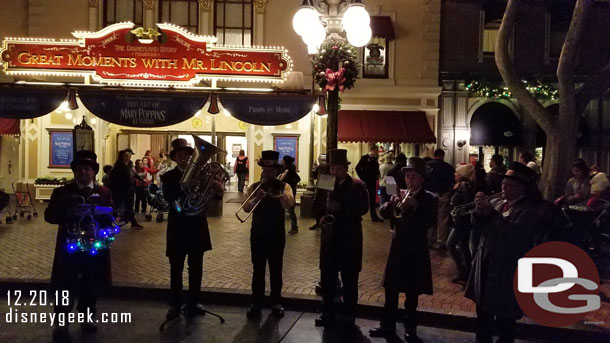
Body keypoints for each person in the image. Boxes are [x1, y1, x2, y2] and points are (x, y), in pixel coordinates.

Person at [466, 162, 539, 343]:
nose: (504, 188)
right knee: (483, 315)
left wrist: (490, 214)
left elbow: (513, 235)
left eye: (510, 186)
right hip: (486, 266)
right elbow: (480, 227)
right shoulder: (498, 203)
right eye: (503, 184)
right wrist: (478, 212)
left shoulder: (528, 210)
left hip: (507, 271)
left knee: (505, 319)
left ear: (522, 189)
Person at [45, 151, 113, 341]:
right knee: (65, 285)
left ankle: (88, 318)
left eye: (88, 169)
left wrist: (108, 226)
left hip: (94, 247)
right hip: (70, 247)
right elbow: (49, 216)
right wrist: (68, 212)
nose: (84, 172)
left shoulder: (104, 192)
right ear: (74, 172)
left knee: (91, 284)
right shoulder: (62, 192)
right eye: (80, 169)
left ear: (94, 172)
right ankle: (61, 321)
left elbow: (109, 218)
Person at [370, 157, 437, 343]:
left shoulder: (429, 198)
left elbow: (430, 222)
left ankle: (410, 328)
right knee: (391, 289)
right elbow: (383, 213)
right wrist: (391, 203)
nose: (410, 181)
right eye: (408, 177)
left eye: (414, 177)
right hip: (398, 246)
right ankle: (387, 325)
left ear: (422, 179)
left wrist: (415, 207)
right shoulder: (399, 194)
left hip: (416, 249)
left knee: (412, 292)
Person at [161, 138, 224, 319]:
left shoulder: (201, 174)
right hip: (178, 227)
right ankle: (175, 303)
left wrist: (218, 191)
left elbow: (209, 201)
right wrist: (183, 187)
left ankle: (194, 301)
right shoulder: (169, 176)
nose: (185, 157)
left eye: (188, 154)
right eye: (181, 154)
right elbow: (169, 197)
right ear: (175, 157)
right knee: (176, 267)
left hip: (197, 226)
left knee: (196, 267)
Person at [314, 149, 369, 327]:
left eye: (338, 169)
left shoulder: (358, 185)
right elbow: (316, 205)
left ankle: (349, 313)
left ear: (346, 168)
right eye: (332, 169)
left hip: (349, 238)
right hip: (329, 238)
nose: (335, 172)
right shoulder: (325, 182)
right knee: (328, 276)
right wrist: (321, 216)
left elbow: (363, 208)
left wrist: (341, 208)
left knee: (349, 278)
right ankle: (327, 312)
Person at [242, 150, 295, 319]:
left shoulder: (284, 186)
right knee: (258, 269)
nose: (268, 173)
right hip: (258, 232)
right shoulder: (254, 186)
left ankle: (276, 302)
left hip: (276, 233)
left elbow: (289, 205)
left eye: (272, 171)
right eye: (265, 170)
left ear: (277, 172)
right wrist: (256, 197)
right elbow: (246, 208)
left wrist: (279, 195)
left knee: (276, 268)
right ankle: (256, 302)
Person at [446, 164, 475, 285]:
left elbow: (457, 202)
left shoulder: (464, 188)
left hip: (461, 223)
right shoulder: (462, 187)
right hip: (462, 222)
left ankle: (463, 271)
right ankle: (466, 273)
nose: (454, 174)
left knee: (451, 244)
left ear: (462, 175)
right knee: (463, 247)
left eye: (457, 173)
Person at [425, 149, 455, 248]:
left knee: (429, 216)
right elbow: (452, 181)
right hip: (443, 194)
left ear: (434, 155)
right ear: (443, 155)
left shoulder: (427, 166)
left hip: (429, 194)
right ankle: (441, 241)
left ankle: (429, 240)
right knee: (442, 218)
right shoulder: (448, 167)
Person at [110, 149, 142, 229]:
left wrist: (139, 179)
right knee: (117, 205)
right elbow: (117, 177)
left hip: (129, 188)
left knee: (130, 206)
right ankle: (111, 221)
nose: (128, 157)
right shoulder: (119, 165)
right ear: (122, 156)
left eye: (128, 155)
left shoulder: (129, 164)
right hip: (121, 189)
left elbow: (133, 173)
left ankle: (133, 222)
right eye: (126, 155)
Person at [356, 143, 383, 222]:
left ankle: (373, 216)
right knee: (361, 197)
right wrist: (362, 177)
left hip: (372, 181)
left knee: (372, 199)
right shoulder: (364, 158)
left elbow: (376, 169)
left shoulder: (375, 159)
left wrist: (377, 174)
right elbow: (357, 168)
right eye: (376, 150)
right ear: (372, 150)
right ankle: (358, 214)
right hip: (365, 181)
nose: (377, 152)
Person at [282, 155, 301, 234]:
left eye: (283, 160)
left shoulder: (290, 170)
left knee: (291, 209)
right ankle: (294, 226)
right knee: (289, 209)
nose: (282, 161)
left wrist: (292, 183)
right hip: (286, 190)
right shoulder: (285, 169)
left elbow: (298, 178)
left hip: (290, 191)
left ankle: (294, 227)